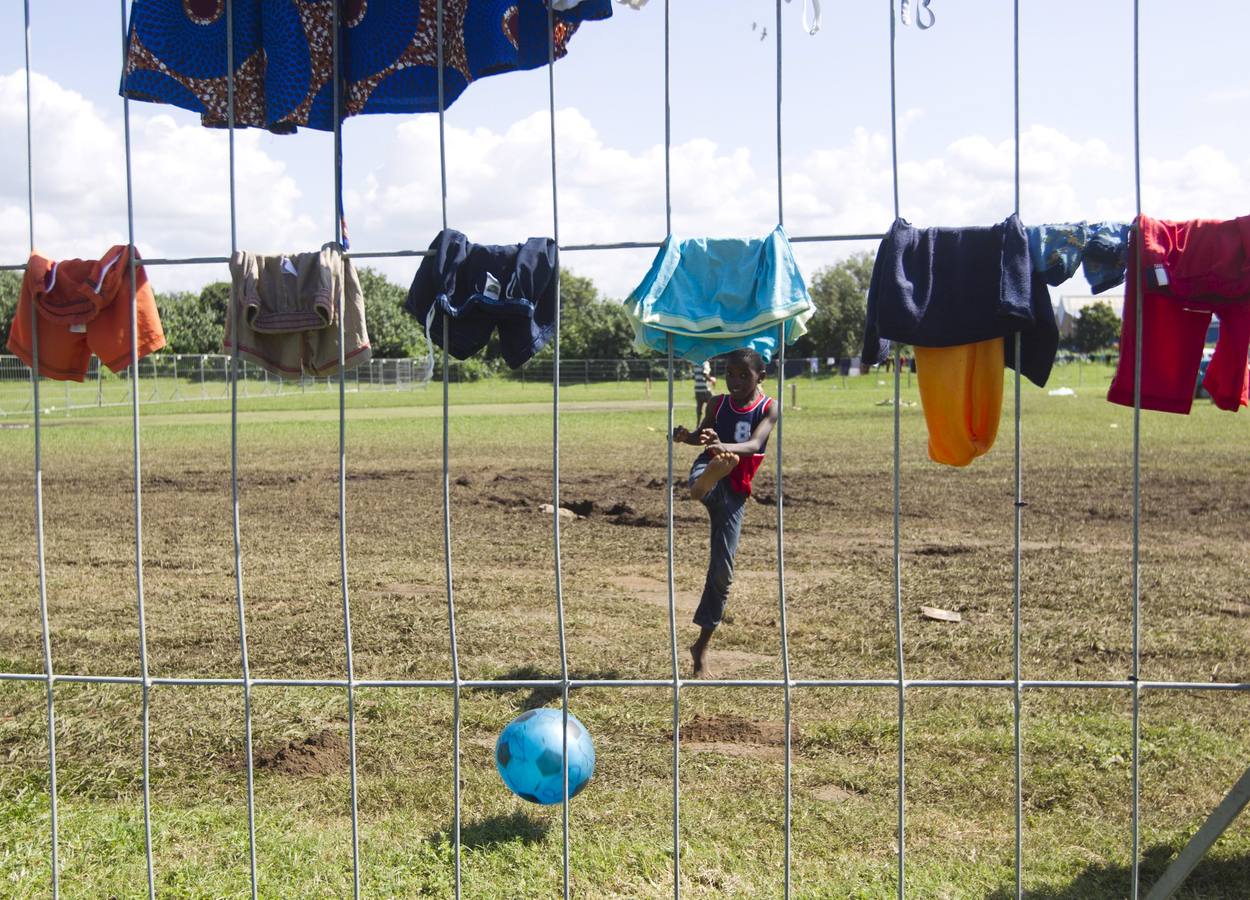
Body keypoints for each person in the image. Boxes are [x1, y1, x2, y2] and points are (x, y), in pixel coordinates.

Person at [671, 348, 778, 678]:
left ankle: (701, 645)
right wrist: (687, 436)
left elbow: (755, 445)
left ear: (760, 376)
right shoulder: (717, 403)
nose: (735, 381)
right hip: (711, 465)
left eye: (744, 375)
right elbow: (702, 436)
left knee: (723, 571)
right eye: (730, 374)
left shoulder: (769, 407)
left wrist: (724, 446)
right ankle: (702, 487)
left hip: (736, 484)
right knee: (703, 478)